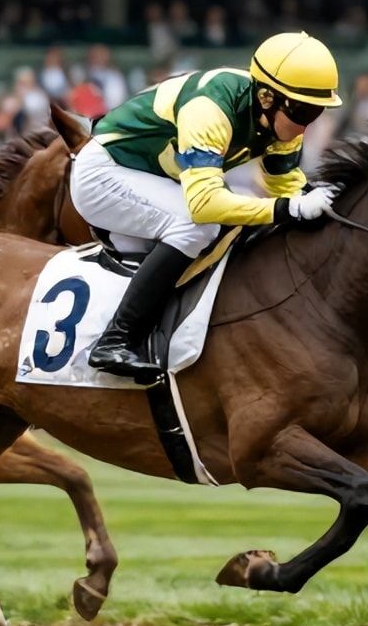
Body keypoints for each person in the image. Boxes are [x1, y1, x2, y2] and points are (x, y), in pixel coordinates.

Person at [70, 32, 342, 381]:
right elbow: (204, 205)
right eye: (302, 110)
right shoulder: (210, 109)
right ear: (266, 96)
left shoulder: (279, 119)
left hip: (157, 179)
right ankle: (115, 339)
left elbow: (285, 186)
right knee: (198, 225)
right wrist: (287, 209)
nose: (307, 123)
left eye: (317, 111)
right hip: (105, 172)